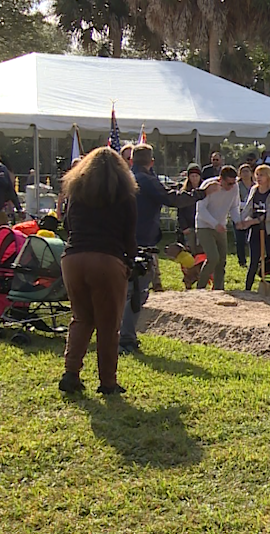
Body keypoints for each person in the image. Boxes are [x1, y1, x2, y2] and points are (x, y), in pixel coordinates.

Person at [58, 147, 137, 395]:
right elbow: (129, 236)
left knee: (81, 318)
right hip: (106, 259)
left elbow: (67, 225)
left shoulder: (76, 194)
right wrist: (131, 263)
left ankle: (71, 373)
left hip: (73, 258)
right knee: (107, 324)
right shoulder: (125, 197)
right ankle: (107, 382)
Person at [120, 144, 207, 354]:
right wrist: (200, 194)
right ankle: (125, 339)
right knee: (137, 292)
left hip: (123, 239)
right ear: (151, 161)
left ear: (132, 160)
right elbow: (172, 199)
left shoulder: (126, 177)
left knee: (127, 291)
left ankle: (121, 334)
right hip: (141, 242)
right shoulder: (147, 180)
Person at [195, 166, 243, 290]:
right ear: (220, 179)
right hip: (204, 226)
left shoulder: (234, 188)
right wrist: (215, 224)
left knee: (222, 260)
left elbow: (234, 206)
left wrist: (237, 221)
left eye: (234, 183)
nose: (231, 186)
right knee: (213, 258)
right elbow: (201, 210)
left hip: (221, 227)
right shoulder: (208, 185)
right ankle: (200, 287)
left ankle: (218, 289)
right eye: (229, 183)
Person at [240, 164, 270, 292]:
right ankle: (248, 288)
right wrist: (241, 220)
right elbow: (248, 207)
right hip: (255, 230)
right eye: (257, 174)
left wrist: (253, 221)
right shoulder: (254, 189)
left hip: (269, 230)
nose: (258, 177)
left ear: (268, 176)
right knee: (254, 260)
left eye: (262, 175)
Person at [177, 164, 203, 253]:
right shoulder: (184, 192)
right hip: (189, 226)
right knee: (191, 249)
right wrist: (184, 227)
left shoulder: (204, 190)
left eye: (196, 176)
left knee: (202, 249)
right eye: (192, 176)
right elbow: (180, 212)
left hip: (202, 225)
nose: (195, 178)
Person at [235, 163, 254, 268]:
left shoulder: (255, 185)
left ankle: (254, 260)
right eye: (243, 172)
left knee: (252, 239)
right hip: (239, 214)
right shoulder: (236, 186)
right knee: (240, 240)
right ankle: (242, 261)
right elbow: (235, 201)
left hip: (252, 215)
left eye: (247, 171)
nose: (245, 174)